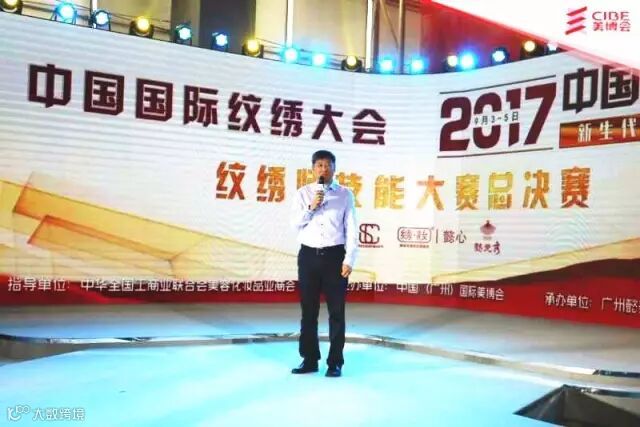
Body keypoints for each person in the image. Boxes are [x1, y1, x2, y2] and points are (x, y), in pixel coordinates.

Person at [290, 150, 358, 378]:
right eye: (319, 165)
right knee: (308, 311)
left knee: (336, 312)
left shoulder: (345, 194)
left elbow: (352, 229)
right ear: (313, 169)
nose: (323, 169)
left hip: (334, 257)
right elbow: (295, 224)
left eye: (328, 165)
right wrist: (311, 207)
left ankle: (335, 362)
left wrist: (349, 259)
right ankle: (309, 359)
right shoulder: (303, 193)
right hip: (308, 257)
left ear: (334, 168)